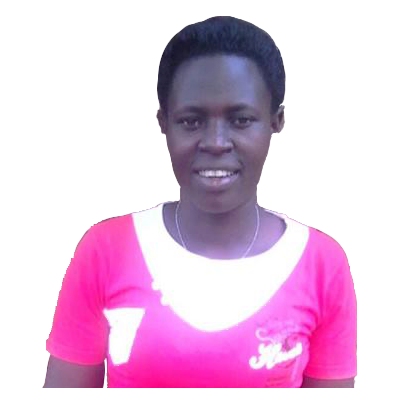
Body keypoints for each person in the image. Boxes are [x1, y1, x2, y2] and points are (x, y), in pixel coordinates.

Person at [44, 17, 357, 388]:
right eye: (191, 122)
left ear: (276, 120)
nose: (215, 142)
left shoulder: (322, 264)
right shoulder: (106, 249)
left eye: (241, 120)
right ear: (164, 123)